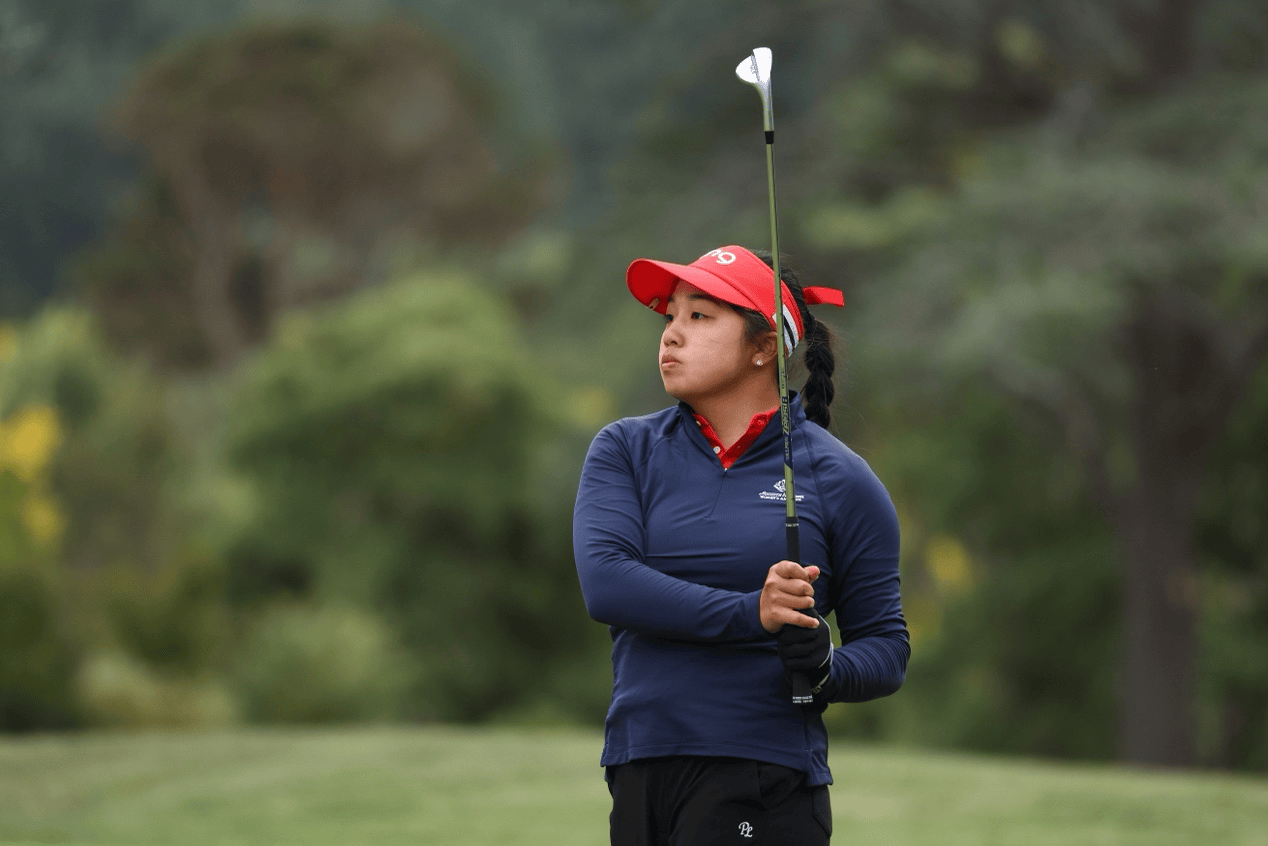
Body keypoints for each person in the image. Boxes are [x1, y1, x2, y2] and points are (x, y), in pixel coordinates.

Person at [573, 244, 909, 846]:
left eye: (699, 316)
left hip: (764, 777)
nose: (671, 334)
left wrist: (825, 668)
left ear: (763, 348)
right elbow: (607, 584)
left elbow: (886, 650)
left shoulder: (841, 479)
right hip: (639, 767)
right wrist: (753, 612)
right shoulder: (625, 449)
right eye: (670, 316)